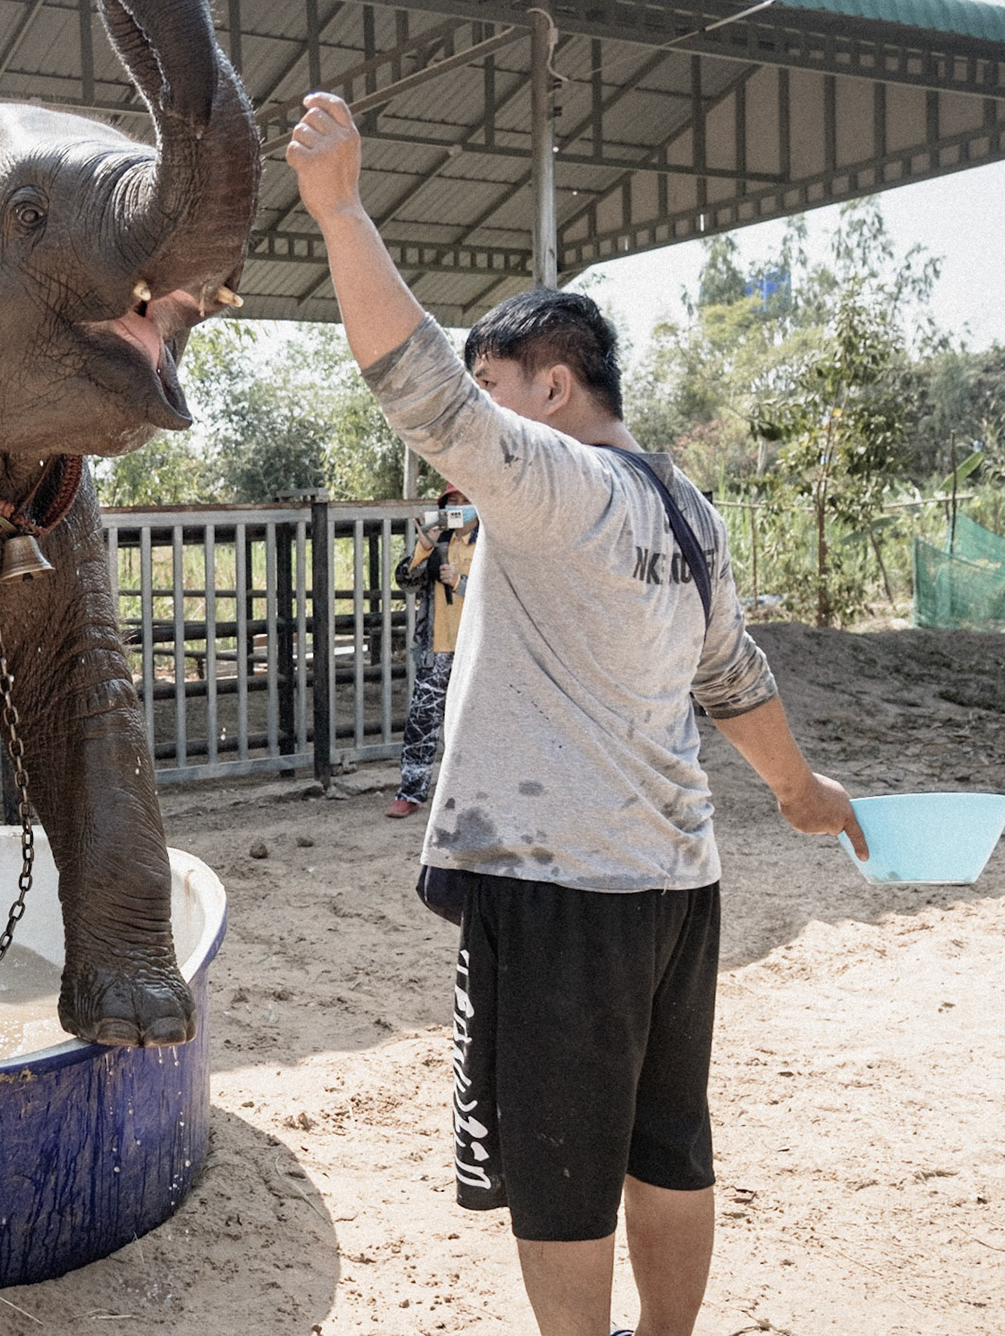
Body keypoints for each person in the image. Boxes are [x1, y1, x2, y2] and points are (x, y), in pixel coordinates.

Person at [286, 91, 868, 1336]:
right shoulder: (686, 508)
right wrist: (797, 790)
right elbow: (733, 676)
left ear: (552, 389)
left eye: (503, 390)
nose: (481, 424)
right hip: (678, 883)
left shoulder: (554, 483)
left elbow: (418, 386)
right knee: (670, 1143)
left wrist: (340, 211)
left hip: (558, 890)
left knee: (557, 1174)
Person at [388, 484, 478, 818]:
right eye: (452, 503)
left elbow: (499, 594)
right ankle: (410, 792)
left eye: (465, 501)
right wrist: (423, 549)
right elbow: (406, 581)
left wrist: (459, 581)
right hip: (437, 647)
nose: (458, 508)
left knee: (474, 722)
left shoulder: (491, 544)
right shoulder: (437, 541)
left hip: (476, 649)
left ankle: (471, 793)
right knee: (422, 720)